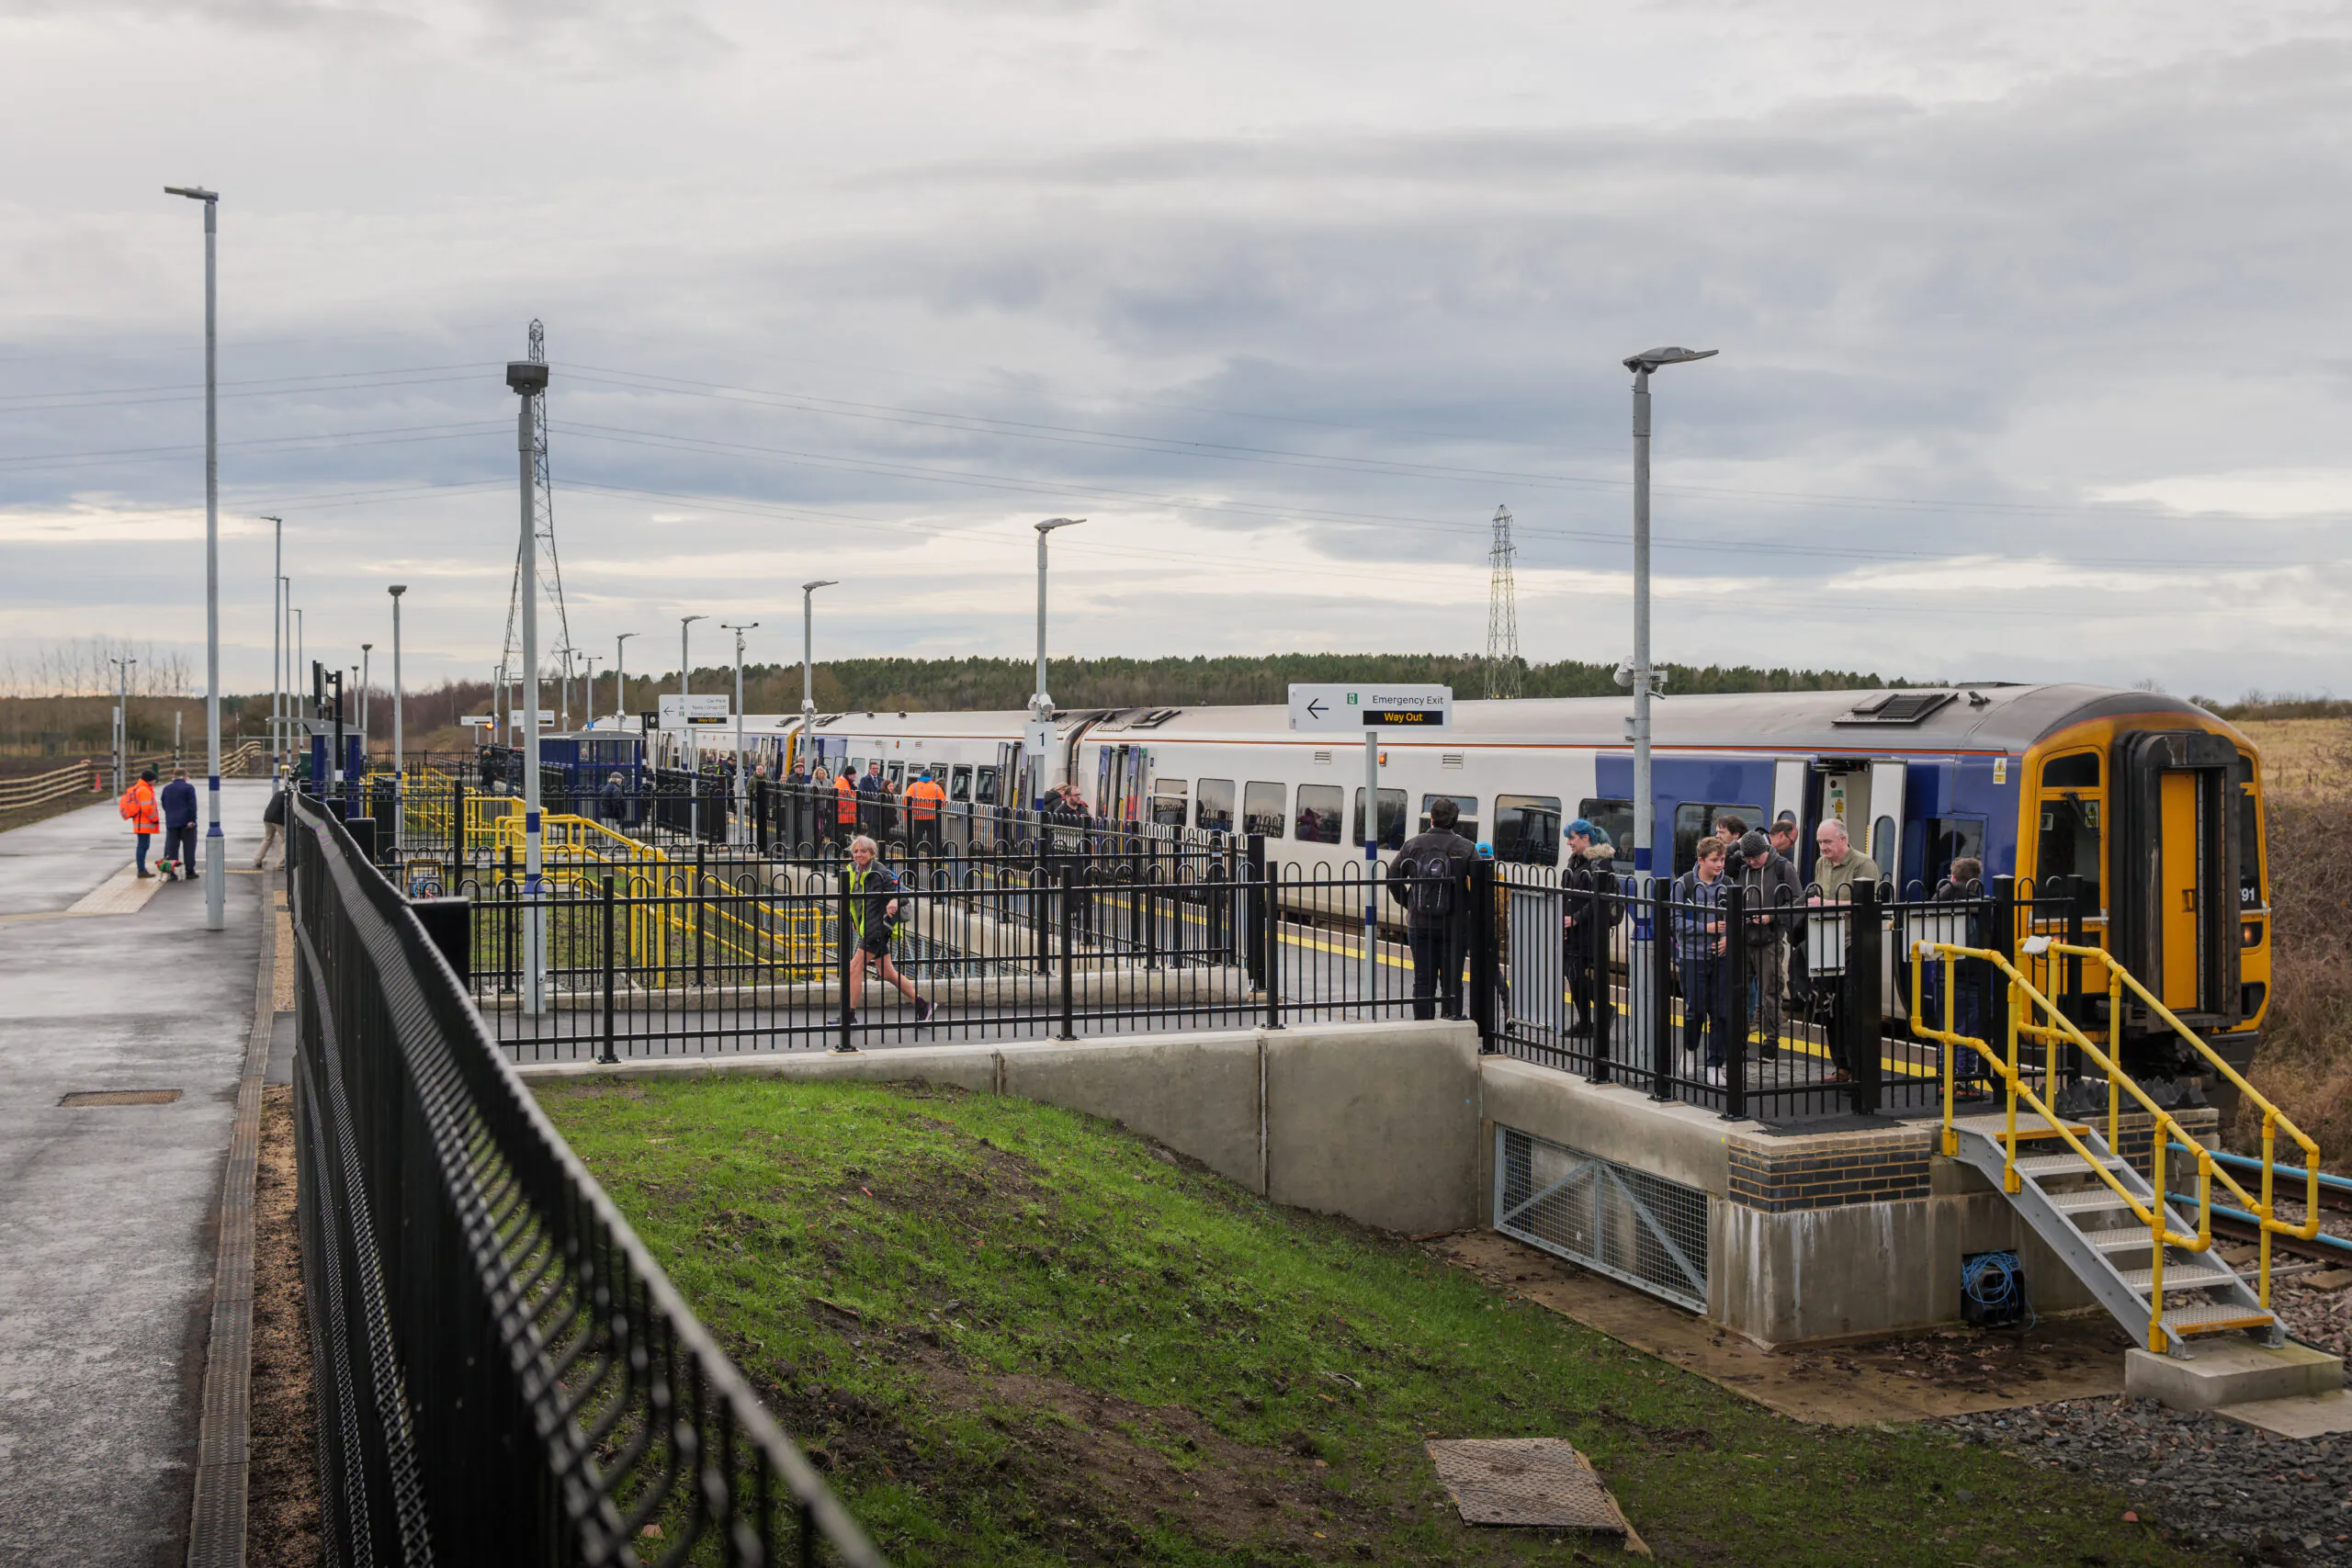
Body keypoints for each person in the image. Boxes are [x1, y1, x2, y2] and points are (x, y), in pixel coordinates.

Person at [836, 834, 935, 1041]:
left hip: (879, 928)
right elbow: (856, 902)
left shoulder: (879, 872)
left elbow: (901, 896)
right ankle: (923, 1006)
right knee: (887, 972)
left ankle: (849, 1016)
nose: (858, 854)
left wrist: (893, 901)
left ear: (872, 853)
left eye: (863, 851)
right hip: (869, 927)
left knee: (854, 967)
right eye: (855, 851)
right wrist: (855, 920)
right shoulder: (854, 872)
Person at [1387, 797, 1477, 1021]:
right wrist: (1464, 908)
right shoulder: (1466, 848)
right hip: (1454, 927)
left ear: (1431, 819)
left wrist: (1409, 903)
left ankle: (1424, 1030)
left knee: (1423, 981)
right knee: (1452, 981)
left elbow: (1392, 876)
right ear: (1454, 821)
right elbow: (1479, 887)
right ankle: (1451, 1026)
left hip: (1420, 924)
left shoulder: (1413, 845)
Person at [1808, 818, 1882, 1083]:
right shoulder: (1821, 864)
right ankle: (1841, 1067)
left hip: (1854, 945)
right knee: (1830, 1009)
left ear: (1843, 839)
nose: (1823, 848)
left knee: (1852, 1009)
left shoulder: (1863, 864)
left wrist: (1825, 903)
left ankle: (1859, 1070)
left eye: (1827, 842)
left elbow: (1866, 903)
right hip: (1827, 941)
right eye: (1820, 842)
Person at [1672, 835, 1735, 1087]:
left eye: (1722, 859)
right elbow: (1674, 921)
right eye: (1714, 860)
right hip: (1692, 957)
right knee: (1694, 1010)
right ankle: (1689, 1050)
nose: (1720, 865)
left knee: (1720, 1013)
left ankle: (1714, 1064)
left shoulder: (1728, 884)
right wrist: (1705, 927)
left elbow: (1736, 917)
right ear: (1701, 860)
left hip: (1720, 958)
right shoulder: (1684, 884)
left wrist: (1728, 937)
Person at [1932, 856, 1996, 1100]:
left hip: (1941, 974)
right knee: (1967, 1032)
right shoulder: (1979, 903)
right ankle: (1964, 1083)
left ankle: (1944, 1080)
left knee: (1945, 1031)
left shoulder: (1941, 898)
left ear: (1953, 876)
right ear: (1976, 880)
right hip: (1969, 977)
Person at [1735, 829, 1801, 1057]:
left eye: (1756, 858)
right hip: (1743, 939)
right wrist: (1737, 846)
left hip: (1769, 941)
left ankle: (1771, 1041)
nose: (1752, 863)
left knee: (1770, 992)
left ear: (1765, 851)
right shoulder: (1741, 866)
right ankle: (1739, 1039)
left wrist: (1771, 916)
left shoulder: (1783, 868)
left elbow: (1796, 901)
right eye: (1747, 859)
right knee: (1738, 991)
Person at [1560, 818, 1620, 1042]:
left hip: (1591, 931)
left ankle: (1604, 1008)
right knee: (1573, 975)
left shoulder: (1601, 863)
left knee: (1575, 973)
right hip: (1573, 930)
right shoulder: (1575, 860)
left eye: (1572, 837)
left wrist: (1574, 919)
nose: (1568, 842)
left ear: (1586, 838)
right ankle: (1585, 1023)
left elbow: (1598, 901)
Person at [158, 767, 198, 880]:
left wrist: (171, 814)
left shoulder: (166, 788)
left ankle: (172, 872)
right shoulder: (189, 788)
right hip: (187, 823)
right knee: (189, 848)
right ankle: (190, 871)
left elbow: (164, 804)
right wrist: (192, 820)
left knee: (172, 849)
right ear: (185, 776)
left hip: (172, 822)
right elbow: (192, 806)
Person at [119, 767, 161, 878]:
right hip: (143, 823)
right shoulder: (144, 790)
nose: (155, 782)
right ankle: (141, 870)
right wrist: (155, 818)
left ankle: (141, 869)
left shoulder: (140, 788)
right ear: (150, 780)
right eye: (154, 779)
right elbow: (147, 807)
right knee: (143, 846)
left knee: (143, 846)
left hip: (140, 823)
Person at [253, 773, 288, 870]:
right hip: (278, 819)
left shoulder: (278, 794)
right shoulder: (290, 796)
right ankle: (282, 863)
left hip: (267, 817)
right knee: (286, 839)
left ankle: (257, 860)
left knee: (268, 839)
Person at [906, 767, 946, 846]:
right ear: (930, 777)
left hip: (918, 817)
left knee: (917, 840)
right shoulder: (936, 787)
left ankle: (915, 856)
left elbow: (906, 800)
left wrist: (912, 811)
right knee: (932, 840)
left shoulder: (913, 786)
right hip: (932, 817)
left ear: (920, 776)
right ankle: (931, 856)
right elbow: (943, 802)